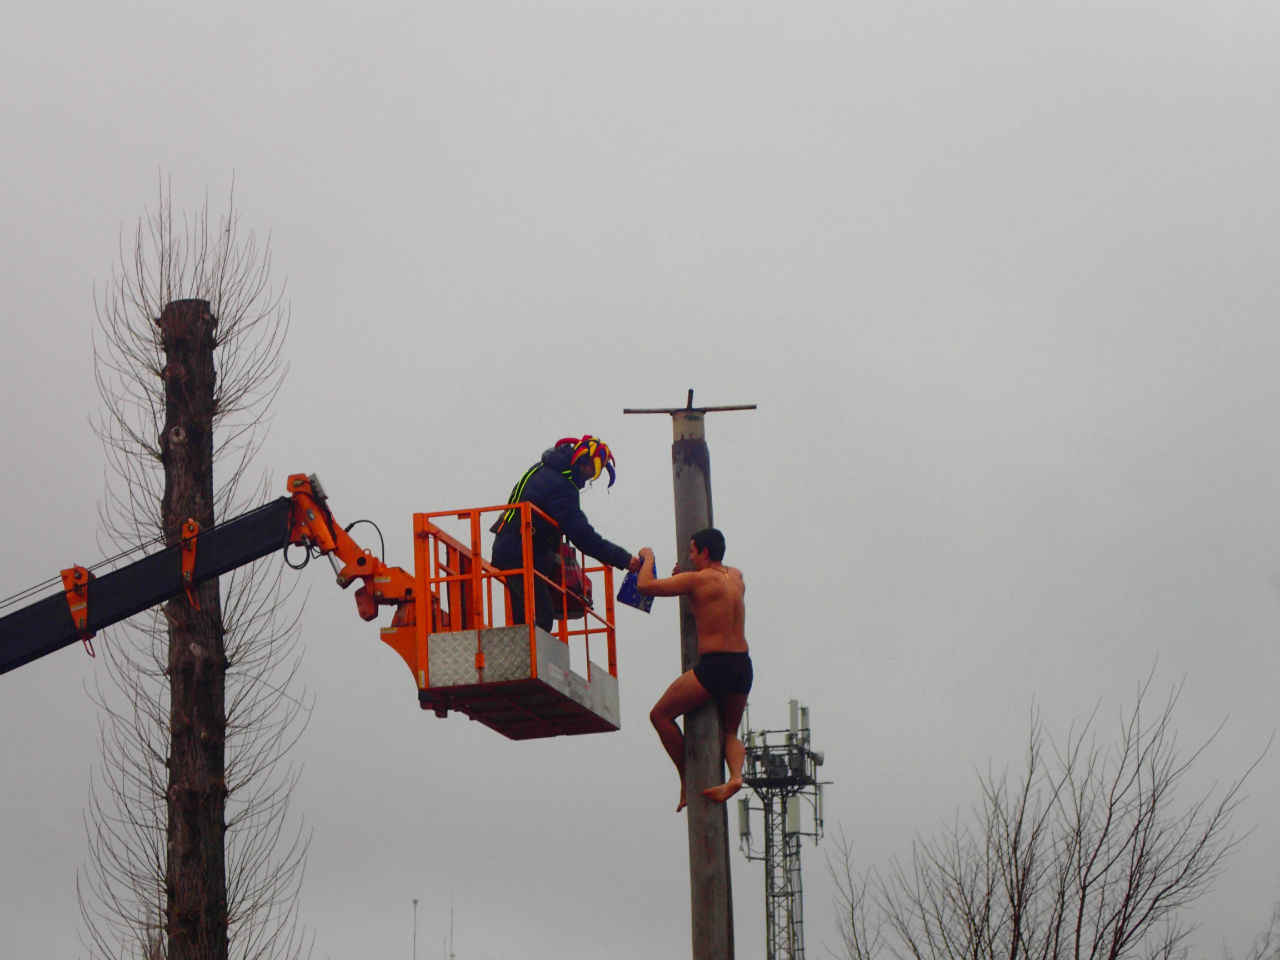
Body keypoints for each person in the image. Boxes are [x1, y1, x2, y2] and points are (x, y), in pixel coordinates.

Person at [637, 528, 751, 812]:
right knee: (730, 734)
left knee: (660, 715)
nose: (689, 556)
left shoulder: (698, 580)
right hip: (743, 665)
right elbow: (710, 602)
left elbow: (645, 586)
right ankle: (736, 776)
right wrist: (683, 580)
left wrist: (648, 556)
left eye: (692, 551)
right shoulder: (736, 577)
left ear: (704, 553)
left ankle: (687, 775)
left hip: (716, 665)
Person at [490, 435, 641, 632]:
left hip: (518, 548)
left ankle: (523, 656)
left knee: (529, 616)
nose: (590, 477)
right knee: (540, 617)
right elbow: (583, 536)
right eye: (592, 470)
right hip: (519, 552)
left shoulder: (547, 468)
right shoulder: (561, 485)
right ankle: (525, 660)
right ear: (582, 461)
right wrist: (624, 559)